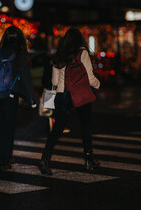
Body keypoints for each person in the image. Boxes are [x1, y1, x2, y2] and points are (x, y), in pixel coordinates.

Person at [38, 28, 100, 176]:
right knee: (85, 127)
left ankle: (45, 159)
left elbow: (53, 81)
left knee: (57, 129)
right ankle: (89, 160)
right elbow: (90, 77)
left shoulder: (58, 55)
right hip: (80, 95)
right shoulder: (82, 53)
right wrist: (98, 85)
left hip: (62, 96)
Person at [0, 26, 37, 170]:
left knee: (4, 125)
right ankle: (1, 160)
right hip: (11, 95)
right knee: (8, 128)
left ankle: (6, 156)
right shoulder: (19, 54)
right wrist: (32, 100)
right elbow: (26, 78)